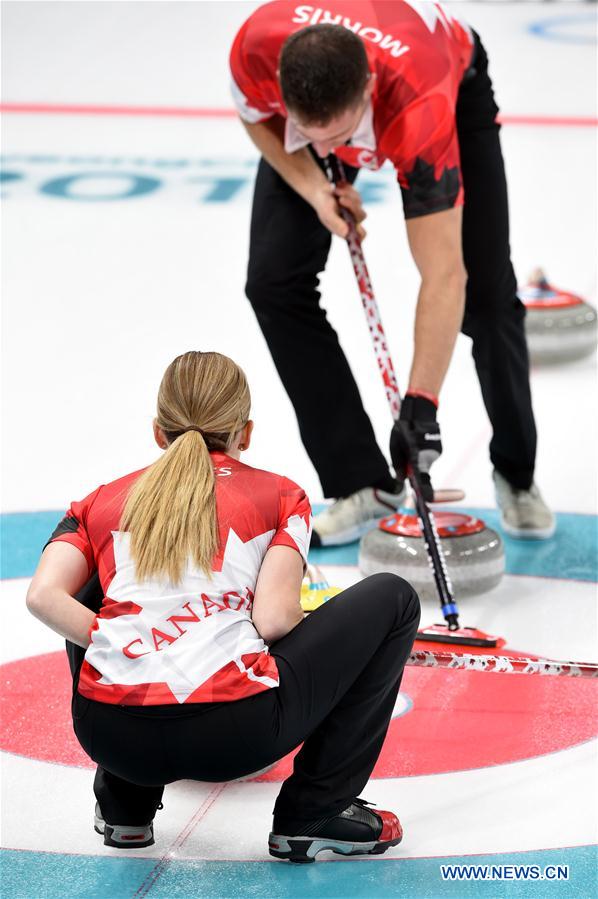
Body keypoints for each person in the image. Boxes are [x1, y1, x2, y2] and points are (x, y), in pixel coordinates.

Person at [26, 350, 420, 863]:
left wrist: (125, 641)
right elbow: (274, 620)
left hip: (112, 737)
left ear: (157, 431)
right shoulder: (280, 495)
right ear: (246, 432)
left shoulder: (99, 501)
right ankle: (315, 812)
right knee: (393, 597)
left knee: (97, 583)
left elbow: (43, 596)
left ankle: (125, 806)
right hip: (236, 736)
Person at [229, 0, 555, 545]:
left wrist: (419, 408)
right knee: (272, 283)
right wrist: (315, 186)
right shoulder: (256, 49)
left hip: (446, 79)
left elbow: (444, 272)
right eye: (310, 136)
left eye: (339, 141)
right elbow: (255, 115)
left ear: (367, 91)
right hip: (342, 87)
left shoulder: (417, 108)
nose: (330, 153)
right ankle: (362, 482)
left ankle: (517, 474)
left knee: (486, 294)